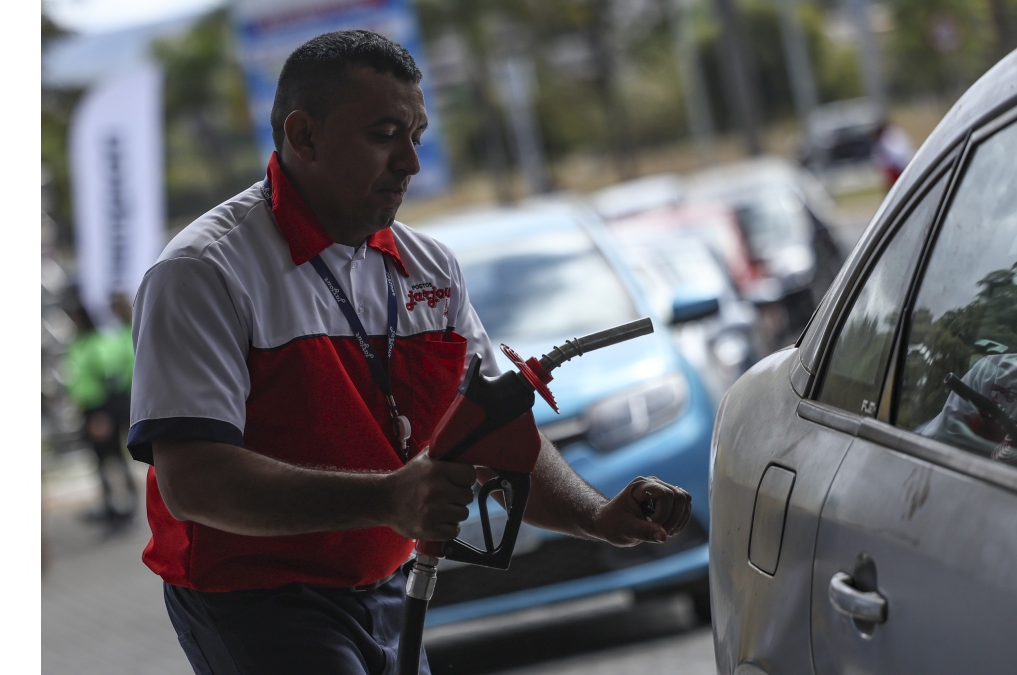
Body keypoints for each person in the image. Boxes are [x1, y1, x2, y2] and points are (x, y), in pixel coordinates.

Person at [128, 30, 692, 675]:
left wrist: (599, 516)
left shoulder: (432, 268)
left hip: (386, 587)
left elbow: (495, 438)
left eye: (416, 136)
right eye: (383, 134)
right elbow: (194, 482)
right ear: (303, 137)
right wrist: (384, 499)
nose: (411, 164)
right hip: (253, 600)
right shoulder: (203, 272)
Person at [63, 302, 137, 536]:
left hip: (100, 411)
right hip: (88, 410)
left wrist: (101, 416)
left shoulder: (97, 344)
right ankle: (111, 508)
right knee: (101, 463)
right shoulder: (80, 343)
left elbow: (107, 380)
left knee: (114, 460)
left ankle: (125, 508)